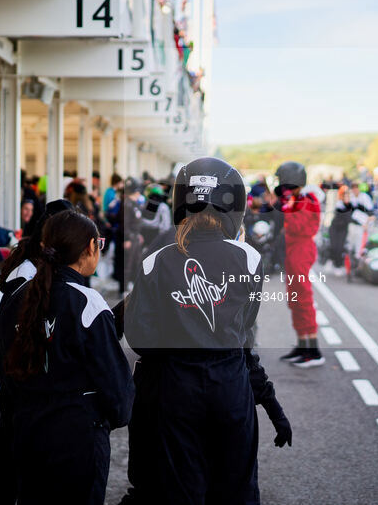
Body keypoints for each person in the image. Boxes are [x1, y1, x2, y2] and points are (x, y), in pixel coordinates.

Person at [122, 157, 291, 504]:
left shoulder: (157, 260)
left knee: (181, 492)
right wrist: (269, 401)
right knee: (237, 491)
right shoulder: (249, 259)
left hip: (175, 391)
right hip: (231, 388)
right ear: (236, 205)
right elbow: (245, 334)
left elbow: (140, 339)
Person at [0, 210, 133, 504]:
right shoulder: (85, 301)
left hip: (27, 433)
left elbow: (5, 368)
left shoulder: (20, 297)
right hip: (77, 439)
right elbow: (116, 386)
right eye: (100, 244)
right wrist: (109, 418)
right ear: (89, 248)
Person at [0, 199, 74, 505]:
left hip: (25, 384)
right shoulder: (26, 270)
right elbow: (10, 332)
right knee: (10, 462)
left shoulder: (47, 265)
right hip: (19, 382)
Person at [273, 161, 324, 368]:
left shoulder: (305, 199)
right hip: (294, 250)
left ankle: (313, 350)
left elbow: (296, 225)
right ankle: (303, 344)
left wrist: (287, 203)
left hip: (301, 250)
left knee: (303, 298)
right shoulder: (298, 198)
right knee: (294, 299)